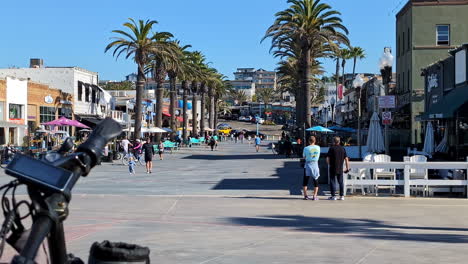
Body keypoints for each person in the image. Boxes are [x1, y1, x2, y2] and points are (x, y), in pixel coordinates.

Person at [326, 137, 350, 201]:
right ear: (339, 141)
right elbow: (346, 159)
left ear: (334, 141)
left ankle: (333, 196)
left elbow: (327, 159)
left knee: (332, 181)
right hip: (340, 167)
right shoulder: (342, 148)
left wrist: (329, 164)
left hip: (333, 167)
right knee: (340, 182)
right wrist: (347, 168)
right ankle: (342, 196)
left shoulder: (331, 148)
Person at [302, 136, 321, 200]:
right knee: (316, 181)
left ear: (308, 141)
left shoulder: (306, 148)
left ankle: (305, 196)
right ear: (315, 141)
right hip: (315, 164)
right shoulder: (318, 147)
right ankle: (314, 196)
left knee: (305, 181)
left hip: (307, 165)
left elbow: (304, 157)